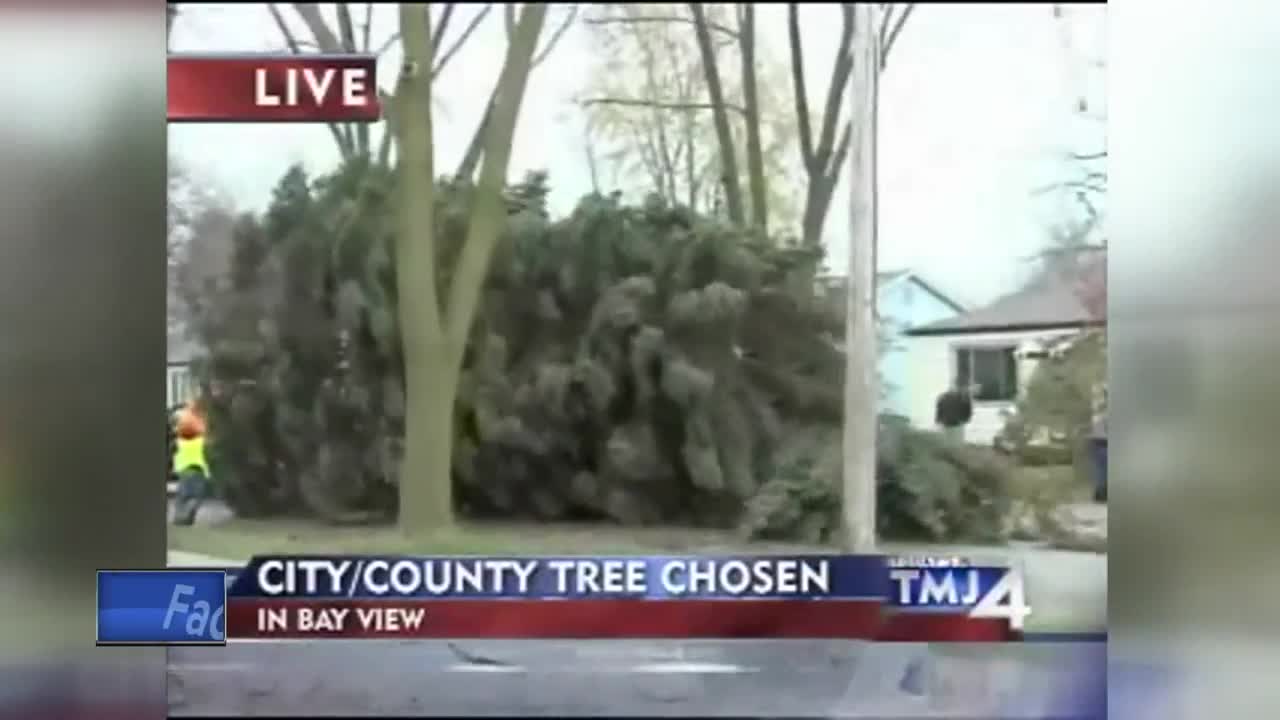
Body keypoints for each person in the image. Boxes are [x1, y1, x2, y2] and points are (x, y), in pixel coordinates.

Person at [171, 400, 212, 526]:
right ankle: (184, 518)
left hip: (184, 466)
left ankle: (181, 519)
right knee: (195, 496)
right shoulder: (199, 429)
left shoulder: (182, 429)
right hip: (196, 467)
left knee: (184, 496)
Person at [1088, 382, 1107, 502]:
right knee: (1104, 470)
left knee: (1101, 470)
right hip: (1104, 442)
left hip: (1096, 442)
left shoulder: (1097, 408)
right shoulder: (1104, 409)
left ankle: (1099, 494)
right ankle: (1101, 494)